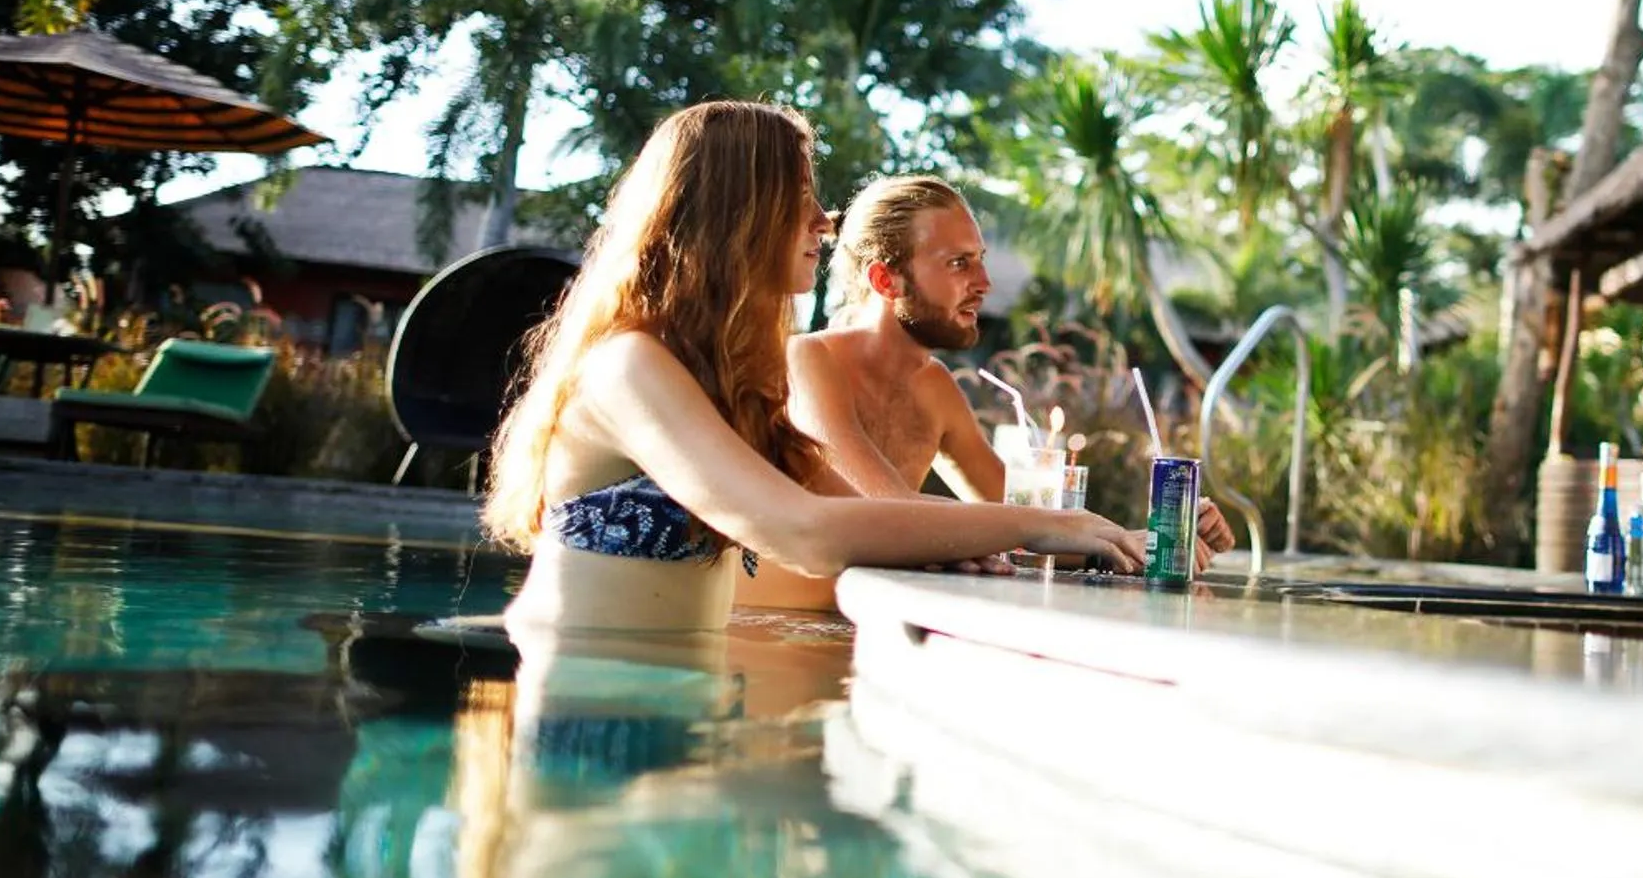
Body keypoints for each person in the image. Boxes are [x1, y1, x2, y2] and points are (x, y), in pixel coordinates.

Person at [483, 103, 1143, 634]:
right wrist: (1046, 524)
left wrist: (1098, 538)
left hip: (677, 725)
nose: (823, 219)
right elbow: (805, 531)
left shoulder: (729, 382)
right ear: (734, 212)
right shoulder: (629, 366)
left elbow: (862, 513)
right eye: (798, 194)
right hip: (581, 733)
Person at [782, 175, 1234, 588]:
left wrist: (1151, 538)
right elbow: (889, 511)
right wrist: (1053, 528)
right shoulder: (811, 359)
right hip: (776, 640)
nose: (984, 282)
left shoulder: (934, 387)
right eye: (959, 264)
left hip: (868, 624)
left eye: (980, 260)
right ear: (886, 279)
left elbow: (1032, 529)